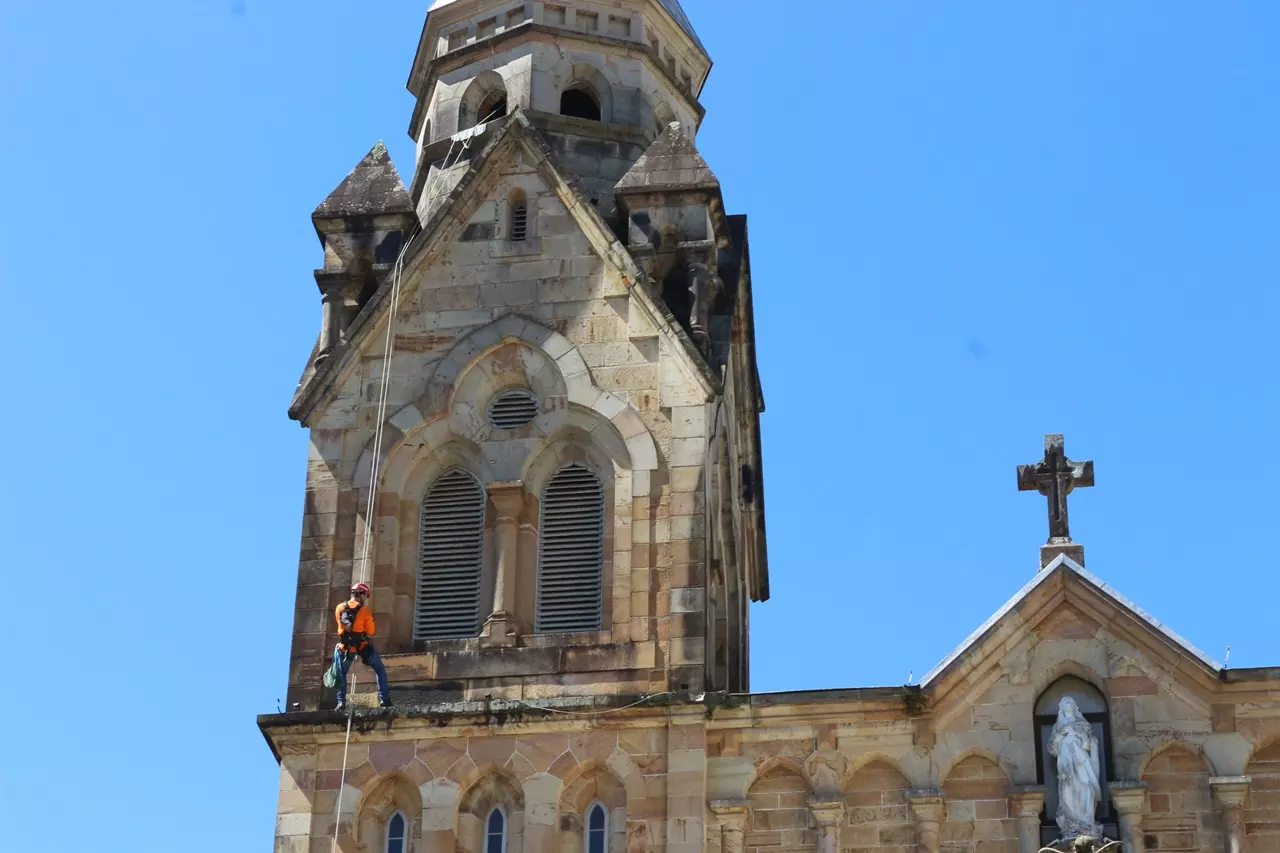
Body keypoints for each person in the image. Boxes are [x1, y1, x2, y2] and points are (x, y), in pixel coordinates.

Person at [332, 582, 392, 710]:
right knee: (380, 670)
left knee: (341, 673)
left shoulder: (338, 608)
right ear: (362, 594)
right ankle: (384, 699)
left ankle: (341, 702)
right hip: (362, 646)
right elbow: (370, 631)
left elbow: (340, 626)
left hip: (345, 647)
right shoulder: (365, 611)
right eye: (366, 596)